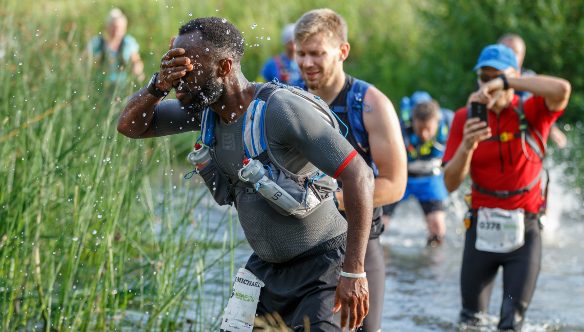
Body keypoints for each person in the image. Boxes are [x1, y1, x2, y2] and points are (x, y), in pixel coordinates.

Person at [117, 17, 375, 331]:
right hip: (263, 273)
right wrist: (158, 84)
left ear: (224, 68)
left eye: (188, 69)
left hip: (323, 269)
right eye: (175, 69)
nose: (179, 81)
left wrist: (354, 272)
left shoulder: (281, 110)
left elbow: (359, 175)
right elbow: (131, 126)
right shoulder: (204, 111)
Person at [443, 44, 571, 330]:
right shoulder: (466, 118)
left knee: (511, 322)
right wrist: (467, 145)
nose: (489, 85)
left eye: (495, 77)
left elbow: (562, 90)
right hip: (480, 229)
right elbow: (450, 183)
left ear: (513, 77)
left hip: (524, 234)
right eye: (483, 78)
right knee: (470, 321)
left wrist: (507, 82)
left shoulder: (531, 111)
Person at [294, 9, 407, 332]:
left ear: (342, 52)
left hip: (359, 243)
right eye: (301, 54)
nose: (306, 63)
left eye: (317, 53)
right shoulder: (288, 100)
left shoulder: (371, 105)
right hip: (304, 246)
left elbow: (395, 184)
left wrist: (329, 202)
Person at [383, 92, 454, 247]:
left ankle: (433, 264)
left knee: (437, 226)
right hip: (402, 177)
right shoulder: (400, 128)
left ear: (437, 121)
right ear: (413, 121)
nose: (424, 134)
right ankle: (380, 262)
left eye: (428, 129)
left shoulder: (448, 122)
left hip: (430, 178)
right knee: (380, 223)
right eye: (420, 128)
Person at [499, 33, 567, 148]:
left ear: (522, 57)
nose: (509, 56)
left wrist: (552, 128)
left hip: (524, 139)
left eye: (514, 52)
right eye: (505, 51)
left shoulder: (530, 80)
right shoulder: (485, 79)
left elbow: (541, 108)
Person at [89, 8, 144, 84]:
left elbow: (136, 60)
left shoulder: (128, 43)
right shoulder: (97, 42)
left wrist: (138, 71)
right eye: (114, 27)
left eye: (120, 28)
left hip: (121, 86)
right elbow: (84, 61)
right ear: (107, 26)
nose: (116, 31)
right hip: (99, 84)